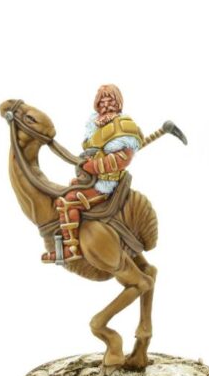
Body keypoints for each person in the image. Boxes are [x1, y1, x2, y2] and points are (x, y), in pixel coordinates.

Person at [42, 84, 144, 263]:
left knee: (67, 202)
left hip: (106, 183)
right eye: (102, 101)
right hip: (90, 179)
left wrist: (93, 166)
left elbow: (122, 159)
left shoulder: (124, 126)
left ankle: (71, 250)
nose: (106, 104)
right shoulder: (94, 124)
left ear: (118, 103)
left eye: (110, 100)